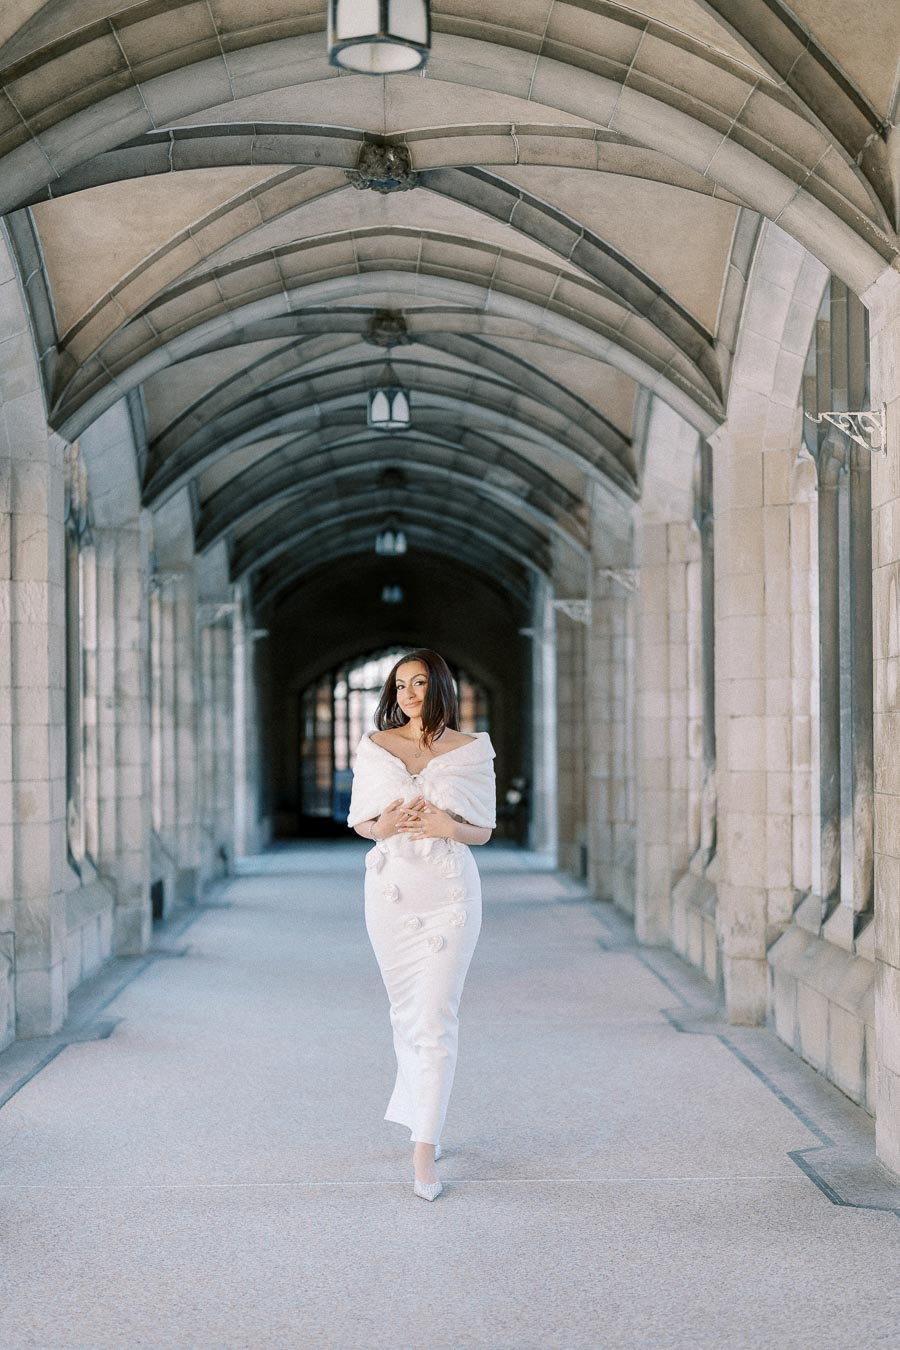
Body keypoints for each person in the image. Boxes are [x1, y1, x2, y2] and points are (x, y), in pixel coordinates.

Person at [347, 649, 496, 1201]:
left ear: (441, 688)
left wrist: (445, 825)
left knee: (436, 1016)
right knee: (406, 1013)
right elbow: (363, 822)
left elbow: (482, 829)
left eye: (420, 682)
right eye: (401, 684)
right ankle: (422, 1118)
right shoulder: (376, 746)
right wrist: (382, 824)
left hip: (449, 894)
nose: (409, 693)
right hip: (390, 893)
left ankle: (424, 1153)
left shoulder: (471, 750)